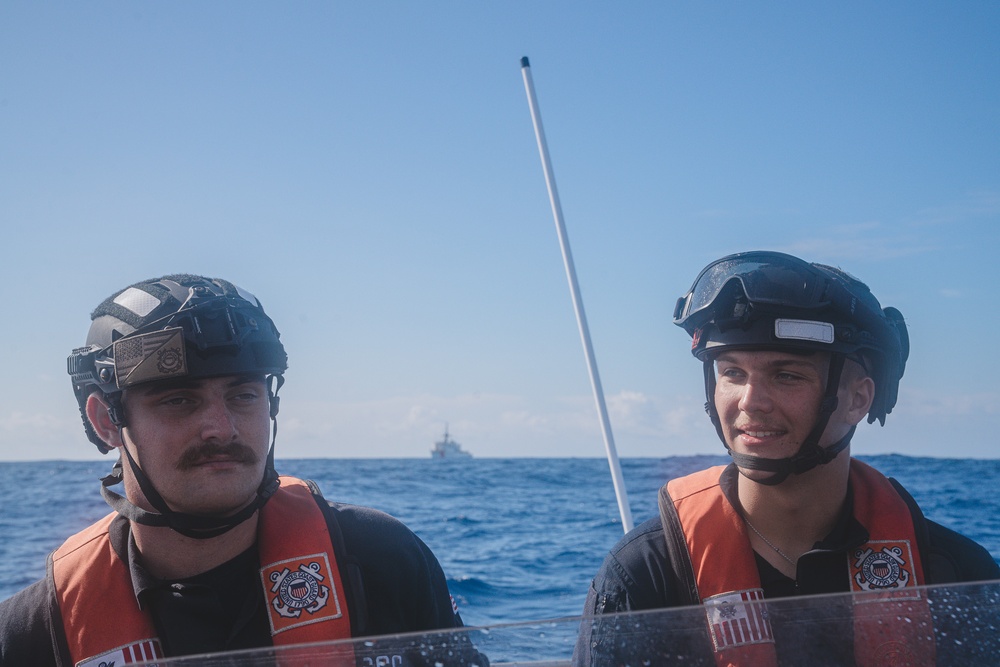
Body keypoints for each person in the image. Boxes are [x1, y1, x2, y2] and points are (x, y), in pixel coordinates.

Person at [0, 274, 486, 667]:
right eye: (179, 399)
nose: (221, 427)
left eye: (243, 395)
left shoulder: (383, 563)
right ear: (107, 420)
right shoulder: (34, 633)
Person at [574, 251, 999, 665]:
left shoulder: (957, 574)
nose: (751, 402)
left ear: (858, 400)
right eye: (732, 373)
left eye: (786, 375)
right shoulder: (645, 577)